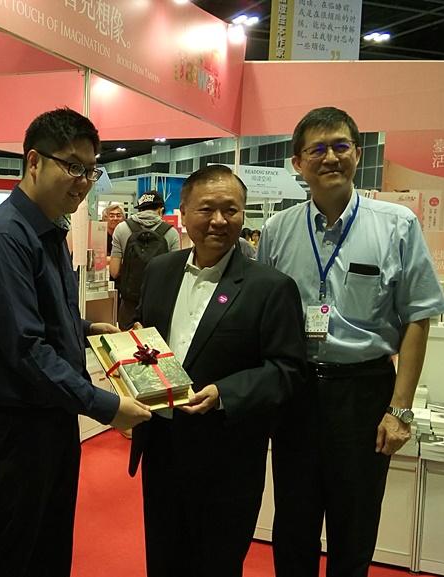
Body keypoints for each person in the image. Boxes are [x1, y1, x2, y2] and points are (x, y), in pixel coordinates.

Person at [0, 107, 152, 577]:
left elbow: (38, 318)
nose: (83, 181)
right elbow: (25, 348)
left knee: (46, 551)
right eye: (72, 166)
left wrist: (85, 329)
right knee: (4, 556)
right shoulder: (2, 238)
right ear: (33, 162)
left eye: (91, 169)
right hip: (12, 430)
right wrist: (103, 404)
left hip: (49, 424)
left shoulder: (49, 231)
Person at [258, 106, 444, 577]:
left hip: (364, 393)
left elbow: (419, 318)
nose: (330, 158)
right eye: (316, 149)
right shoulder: (277, 230)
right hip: (296, 391)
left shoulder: (396, 224)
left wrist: (400, 410)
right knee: (293, 526)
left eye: (340, 146)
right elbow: (261, 317)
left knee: (355, 526)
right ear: (297, 163)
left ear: (357, 154)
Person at [130, 164, 307, 577]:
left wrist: (225, 392)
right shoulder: (160, 271)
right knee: (163, 557)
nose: (219, 221)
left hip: (227, 457)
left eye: (231, 210)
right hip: (162, 446)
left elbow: (287, 369)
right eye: (206, 209)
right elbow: (145, 339)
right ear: (184, 212)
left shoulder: (271, 287)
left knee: (217, 564)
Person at [110, 191, 180, 328]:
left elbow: (114, 271)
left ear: (140, 209)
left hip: (129, 304)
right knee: (157, 346)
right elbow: (175, 274)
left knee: (127, 345)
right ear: (160, 210)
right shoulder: (171, 233)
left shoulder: (122, 228)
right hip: (159, 304)